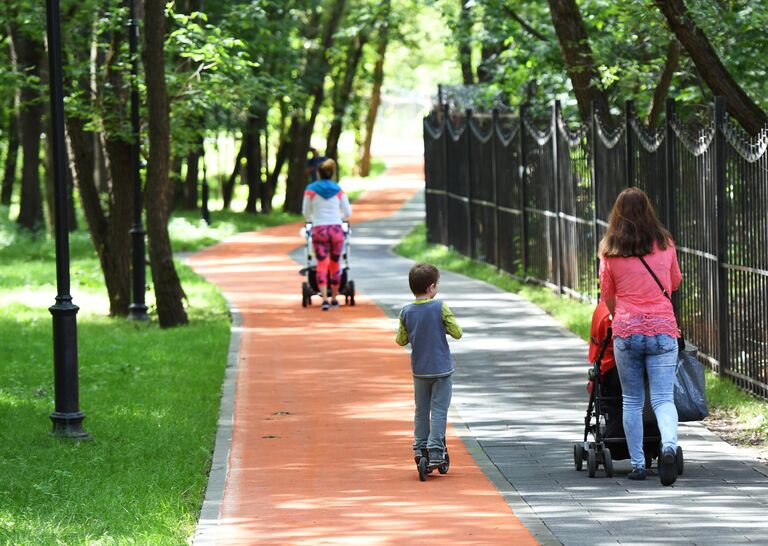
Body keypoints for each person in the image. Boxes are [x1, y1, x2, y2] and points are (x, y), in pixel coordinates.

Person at [598, 187, 682, 486]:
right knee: (662, 398)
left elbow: (607, 295)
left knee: (631, 400)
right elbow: (673, 283)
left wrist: (621, 314)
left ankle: (637, 465)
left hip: (627, 330)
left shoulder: (609, 249)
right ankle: (669, 447)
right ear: (648, 210)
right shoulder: (665, 242)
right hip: (662, 329)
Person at [396, 263, 463, 465]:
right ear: (431, 287)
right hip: (441, 369)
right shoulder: (440, 307)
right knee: (440, 410)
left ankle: (420, 447)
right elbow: (457, 333)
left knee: (421, 410)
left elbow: (401, 340)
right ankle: (435, 450)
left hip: (420, 370)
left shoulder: (406, 311)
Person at [302, 158, 351, 310]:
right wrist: (339, 219)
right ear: (332, 173)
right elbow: (347, 212)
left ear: (318, 173)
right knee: (335, 263)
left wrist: (312, 220)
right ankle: (335, 299)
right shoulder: (338, 189)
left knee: (321, 264)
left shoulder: (310, 189)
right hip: (336, 230)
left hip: (319, 229)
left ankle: (324, 299)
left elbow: (305, 212)